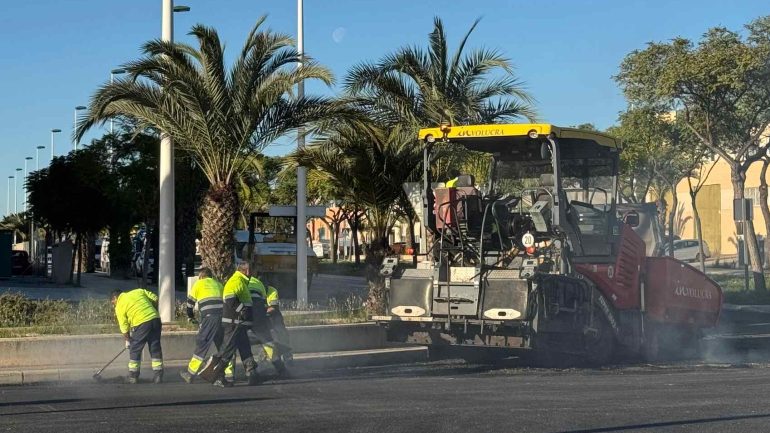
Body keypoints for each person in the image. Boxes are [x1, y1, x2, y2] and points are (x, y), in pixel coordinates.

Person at [180, 268, 233, 384]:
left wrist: (191, 317)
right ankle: (229, 373)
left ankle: (190, 374)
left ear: (201, 276)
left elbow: (189, 304)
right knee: (223, 346)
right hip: (222, 317)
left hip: (209, 318)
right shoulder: (219, 284)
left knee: (202, 343)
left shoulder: (198, 284)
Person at [213, 261, 260, 387]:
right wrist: (242, 310)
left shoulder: (241, 281)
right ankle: (218, 376)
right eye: (252, 270)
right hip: (235, 323)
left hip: (239, 323)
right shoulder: (236, 281)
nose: (253, 273)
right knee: (228, 350)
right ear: (247, 271)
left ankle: (252, 374)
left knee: (245, 347)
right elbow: (229, 299)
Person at [111, 288, 164, 384]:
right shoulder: (138, 291)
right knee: (154, 347)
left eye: (113, 302)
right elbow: (155, 298)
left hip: (142, 323)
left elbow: (124, 326)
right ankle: (158, 375)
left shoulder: (119, 305)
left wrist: (128, 340)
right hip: (155, 320)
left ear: (115, 298)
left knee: (135, 349)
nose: (113, 304)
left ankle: (133, 376)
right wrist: (153, 310)